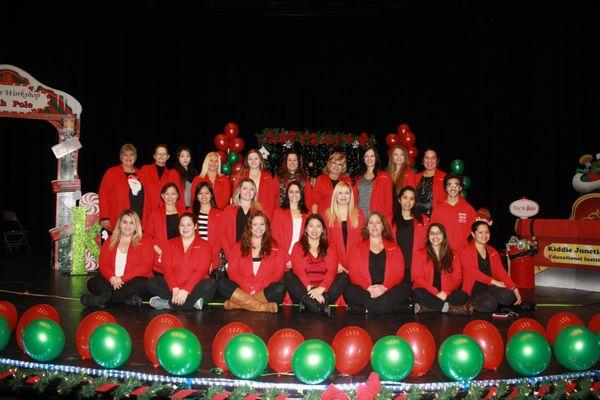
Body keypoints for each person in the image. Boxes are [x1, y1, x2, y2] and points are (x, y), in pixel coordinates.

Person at [218, 211, 287, 313]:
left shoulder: (276, 246)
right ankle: (264, 307)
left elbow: (278, 272)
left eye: (262, 224)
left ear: (266, 226)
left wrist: (257, 287)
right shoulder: (238, 246)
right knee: (222, 283)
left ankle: (237, 304)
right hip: (242, 288)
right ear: (249, 227)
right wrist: (248, 287)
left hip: (264, 290)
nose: (258, 227)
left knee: (279, 288)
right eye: (255, 224)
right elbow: (233, 271)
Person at [81, 210, 153, 307]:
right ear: (119, 224)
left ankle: (103, 300)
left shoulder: (146, 240)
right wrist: (112, 278)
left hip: (131, 281)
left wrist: (122, 279)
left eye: (132, 223)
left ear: (136, 225)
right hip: (113, 281)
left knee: (143, 283)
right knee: (93, 282)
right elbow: (103, 263)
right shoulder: (110, 240)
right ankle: (125, 299)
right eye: (124, 222)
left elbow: (145, 266)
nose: (128, 226)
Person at [147, 213, 217, 310]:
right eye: (182, 225)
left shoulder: (204, 245)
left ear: (195, 226)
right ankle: (192, 303)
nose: (185, 228)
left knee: (211, 284)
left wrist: (186, 290)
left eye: (189, 225)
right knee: (152, 283)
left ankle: (168, 304)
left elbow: (202, 270)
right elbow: (167, 268)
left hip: (195, 286)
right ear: (178, 226)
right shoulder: (170, 243)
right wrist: (174, 288)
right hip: (175, 287)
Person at [344, 212, 410, 315]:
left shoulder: (395, 248)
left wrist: (384, 287)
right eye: (371, 223)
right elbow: (353, 273)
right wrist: (368, 288)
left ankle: (368, 309)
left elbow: (399, 273)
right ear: (367, 227)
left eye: (378, 222)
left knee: (405, 289)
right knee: (348, 291)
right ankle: (390, 307)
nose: (374, 226)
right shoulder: (358, 248)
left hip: (387, 290)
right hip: (366, 291)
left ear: (383, 226)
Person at [285, 214, 348, 315]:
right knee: (288, 276)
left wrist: (321, 288)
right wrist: (311, 289)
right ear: (305, 229)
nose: (314, 229)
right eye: (311, 226)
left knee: (344, 277)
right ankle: (319, 307)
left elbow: (331, 272)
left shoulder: (330, 247)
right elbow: (299, 272)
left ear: (323, 230)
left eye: (318, 226)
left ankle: (312, 305)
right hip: (305, 289)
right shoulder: (298, 246)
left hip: (324, 291)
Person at [460, 221, 522, 312]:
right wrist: (493, 281)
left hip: (489, 285)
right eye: (480, 232)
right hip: (474, 288)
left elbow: (500, 271)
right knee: (489, 304)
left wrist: (514, 288)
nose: (484, 235)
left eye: (487, 232)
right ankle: (471, 302)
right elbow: (473, 272)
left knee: (509, 296)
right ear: (473, 234)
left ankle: (491, 299)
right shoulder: (465, 251)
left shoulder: (492, 251)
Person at [412, 223, 472, 314]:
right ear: (428, 236)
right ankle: (449, 308)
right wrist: (435, 293)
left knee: (463, 296)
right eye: (432, 233)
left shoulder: (453, 254)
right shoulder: (420, 254)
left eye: (439, 233)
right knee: (417, 293)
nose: (435, 236)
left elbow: (458, 279)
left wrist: (445, 292)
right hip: (428, 292)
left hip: (445, 293)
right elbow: (417, 278)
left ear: (444, 235)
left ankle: (429, 307)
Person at [99, 144, 150, 231]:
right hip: (119, 219)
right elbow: (103, 195)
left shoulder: (141, 174)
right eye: (125, 155)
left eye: (131, 154)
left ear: (135, 157)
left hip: (138, 220)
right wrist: (104, 217)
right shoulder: (112, 172)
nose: (128, 157)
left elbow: (147, 197)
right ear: (121, 157)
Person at [323, 181, 365, 274]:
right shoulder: (327, 215)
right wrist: (336, 263)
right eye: (340, 193)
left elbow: (362, 242)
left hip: (355, 264)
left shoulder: (359, 214)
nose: (343, 196)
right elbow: (324, 242)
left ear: (351, 196)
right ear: (335, 195)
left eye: (347, 193)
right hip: (334, 265)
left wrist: (355, 264)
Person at [143, 183, 184, 275]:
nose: (170, 197)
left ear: (177, 195)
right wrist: (159, 251)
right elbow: (147, 236)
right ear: (162, 196)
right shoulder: (155, 214)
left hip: (181, 259)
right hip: (160, 258)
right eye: (167, 194)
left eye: (173, 194)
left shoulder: (184, 213)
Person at [391, 186, 429, 285]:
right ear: (399, 200)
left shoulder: (423, 219)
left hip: (417, 268)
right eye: (405, 197)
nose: (408, 201)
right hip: (396, 268)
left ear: (415, 201)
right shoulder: (389, 220)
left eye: (411, 198)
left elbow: (428, 243)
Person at [431, 173, 477, 251]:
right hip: (444, 252)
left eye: (456, 185)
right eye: (450, 185)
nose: (453, 188)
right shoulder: (438, 210)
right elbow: (432, 233)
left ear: (460, 188)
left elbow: (474, 233)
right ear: (445, 188)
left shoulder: (469, 209)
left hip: (463, 253)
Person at [217, 178, 262, 258]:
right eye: (245, 188)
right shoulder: (229, 210)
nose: (248, 191)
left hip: (253, 254)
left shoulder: (260, 211)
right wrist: (229, 252)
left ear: (254, 192)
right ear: (239, 191)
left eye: (251, 189)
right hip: (233, 253)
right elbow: (221, 233)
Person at [232, 149, 277, 218]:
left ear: (260, 160)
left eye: (256, 158)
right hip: (244, 211)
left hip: (262, 213)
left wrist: (269, 217)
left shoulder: (268, 177)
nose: (253, 161)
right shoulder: (241, 176)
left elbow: (271, 200)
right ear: (247, 161)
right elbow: (235, 197)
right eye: (250, 159)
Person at [353, 147, 393, 223]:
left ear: (376, 158)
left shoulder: (384, 176)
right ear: (363, 159)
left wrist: (385, 220)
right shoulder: (358, 177)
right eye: (366, 156)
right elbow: (354, 198)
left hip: (376, 218)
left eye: (372, 156)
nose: (369, 159)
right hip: (360, 217)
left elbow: (388, 201)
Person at [190, 181, 222, 270]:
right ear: (196, 196)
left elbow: (220, 239)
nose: (204, 196)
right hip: (193, 257)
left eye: (207, 193)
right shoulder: (190, 213)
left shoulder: (220, 214)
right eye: (200, 193)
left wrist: (210, 259)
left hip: (214, 256)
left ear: (211, 195)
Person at [272, 181, 308, 256]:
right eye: (291, 191)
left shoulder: (308, 214)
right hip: (282, 256)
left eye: (297, 191)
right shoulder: (278, 212)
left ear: (301, 194)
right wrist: (286, 257)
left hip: (301, 257)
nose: (294, 194)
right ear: (287, 194)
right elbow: (275, 237)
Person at [141, 144, 176, 213]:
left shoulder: (172, 174)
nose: (161, 156)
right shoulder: (145, 170)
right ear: (154, 156)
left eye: (164, 154)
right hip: (148, 211)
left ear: (168, 156)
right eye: (159, 154)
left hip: (166, 211)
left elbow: (177, 196)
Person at [414, 149, 447, 217]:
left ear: (437, 161)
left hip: (437, 218)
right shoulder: (415, 177)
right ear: (423, 160)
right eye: (427, 158)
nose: (430, 161)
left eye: (433, 158)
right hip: (417, 217)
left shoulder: (444, 177)